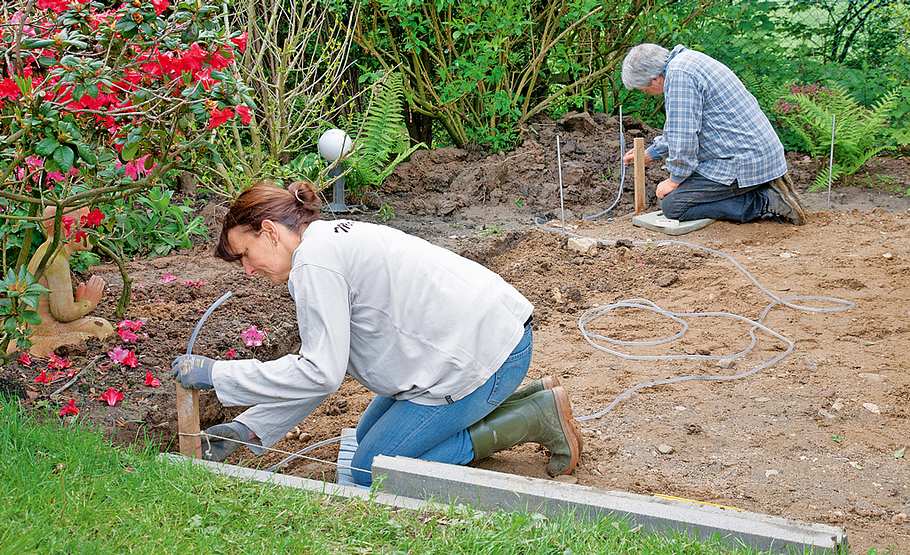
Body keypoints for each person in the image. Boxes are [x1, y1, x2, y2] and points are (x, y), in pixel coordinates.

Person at [171, 181, 582, 486]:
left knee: (371, 471)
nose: (247, 269)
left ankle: (528, 418)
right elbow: (325, 365)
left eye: (246, 253)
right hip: (486, 340)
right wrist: (249, 428)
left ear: (270, 231)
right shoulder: (323, 245)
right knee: (368, 440)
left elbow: (319, 373)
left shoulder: (315, 264)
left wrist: (217, 374)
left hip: (485, 358)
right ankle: (534, 399)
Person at [620, 43, 808, 225]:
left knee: (673, 205)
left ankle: (765, 202)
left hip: (741, 162)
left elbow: (683, 138)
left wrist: (674, 180)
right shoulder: (688, 61)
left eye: (644, 89)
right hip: (758, 155)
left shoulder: (678, 76)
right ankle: (761, 188)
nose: (647, 93)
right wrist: (651, 153)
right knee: (680, 195)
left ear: (654, 79)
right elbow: (678, 127)